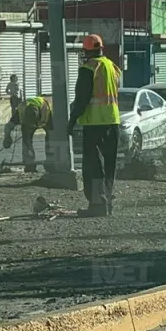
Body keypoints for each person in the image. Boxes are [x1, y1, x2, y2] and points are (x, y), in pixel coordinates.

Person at [68, 33, 122, 217]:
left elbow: (81, 99)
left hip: (94, 124)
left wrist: (72, 119)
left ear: (86, 51)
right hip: (113, 121)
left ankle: (97, 205)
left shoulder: (89, 68)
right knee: (109, 165)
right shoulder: (112, 66)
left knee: (93, 166)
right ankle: (107, 202)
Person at [5, 95, 53, 173]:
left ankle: (51, 163)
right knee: (26, 142)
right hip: (31, 116)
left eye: (32, 124)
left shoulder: (49, 112)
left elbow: (54, 132)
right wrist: (7, 137)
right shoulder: (21, 110)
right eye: (29, 124)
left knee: (51, 140)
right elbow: (8, 126)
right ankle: (29, 165)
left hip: (46, 118)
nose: (32, 126)